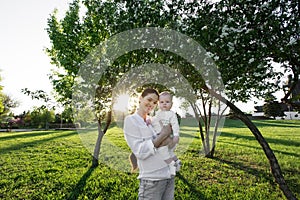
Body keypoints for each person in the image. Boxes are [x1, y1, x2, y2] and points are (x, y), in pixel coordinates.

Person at [123, 88, 175, 200]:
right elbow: (141, 152)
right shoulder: (131, 120)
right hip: (152, 180)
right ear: (140, 99)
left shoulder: (153, 121)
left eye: (155, 102)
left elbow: (171, 145)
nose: (151, 104)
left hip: (168, 176)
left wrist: (164, 139)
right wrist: (162, 136)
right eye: (149, 99)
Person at [151, 91, 181, 175]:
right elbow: (154, 121)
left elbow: (175, 125)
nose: (164, 104)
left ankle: (172, 166)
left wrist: (176, 135)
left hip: (169, 138)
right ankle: (177, 161)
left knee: (162, 151)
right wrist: (149, 121)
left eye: (167, 102)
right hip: (162, 136)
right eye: (162, 102)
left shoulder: (171, 114)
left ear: (171, 104)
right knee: (170, 152)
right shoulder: (158, 113)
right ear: (158, 103)